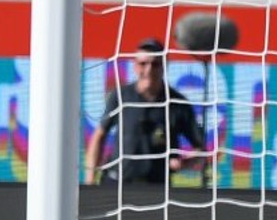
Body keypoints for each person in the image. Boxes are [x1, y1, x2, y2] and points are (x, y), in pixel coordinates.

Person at [85, 38, 206, 186]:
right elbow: (100, 135)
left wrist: (185, 163)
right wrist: (90, 178)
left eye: (155, 64)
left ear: (164, 66)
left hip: (157, 188)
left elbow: (200, 149)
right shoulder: (120, 96)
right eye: (143, 64)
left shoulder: (178, 103)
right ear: (135, 66)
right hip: (117, 182)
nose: (149, 70)